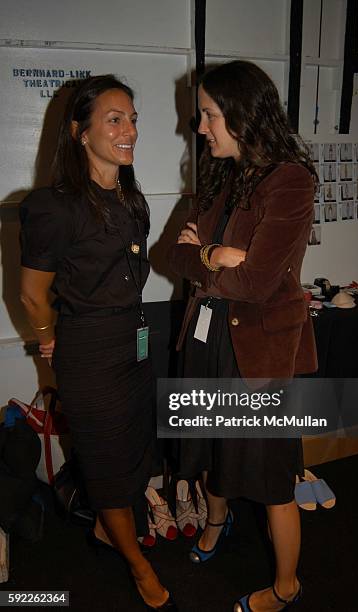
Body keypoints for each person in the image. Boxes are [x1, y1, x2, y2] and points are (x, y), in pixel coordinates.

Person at [20, 75, 176, 611]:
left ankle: (114, 531)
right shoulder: (52, 205)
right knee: (107, 465)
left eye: (133, 118)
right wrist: (48, 340)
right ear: (80, 132)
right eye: (115, 119)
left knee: (135, 452)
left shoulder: (131, 200)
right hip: (87, 352)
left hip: (133, 344)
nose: (129, 129)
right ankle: (138, 567)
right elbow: (32, 293)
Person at [168, 61, 318, 611]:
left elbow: (255, 284)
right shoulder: (223, 172)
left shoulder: (291, 180)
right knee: (210, 444)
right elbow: (173, 253)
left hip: (259, 352)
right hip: (208, 337)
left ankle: (286, 588)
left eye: (209, 114)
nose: (201, 126)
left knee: (272, 473)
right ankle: (217, 521)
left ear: (241, 114)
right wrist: (217, 256)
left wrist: (206, 253)